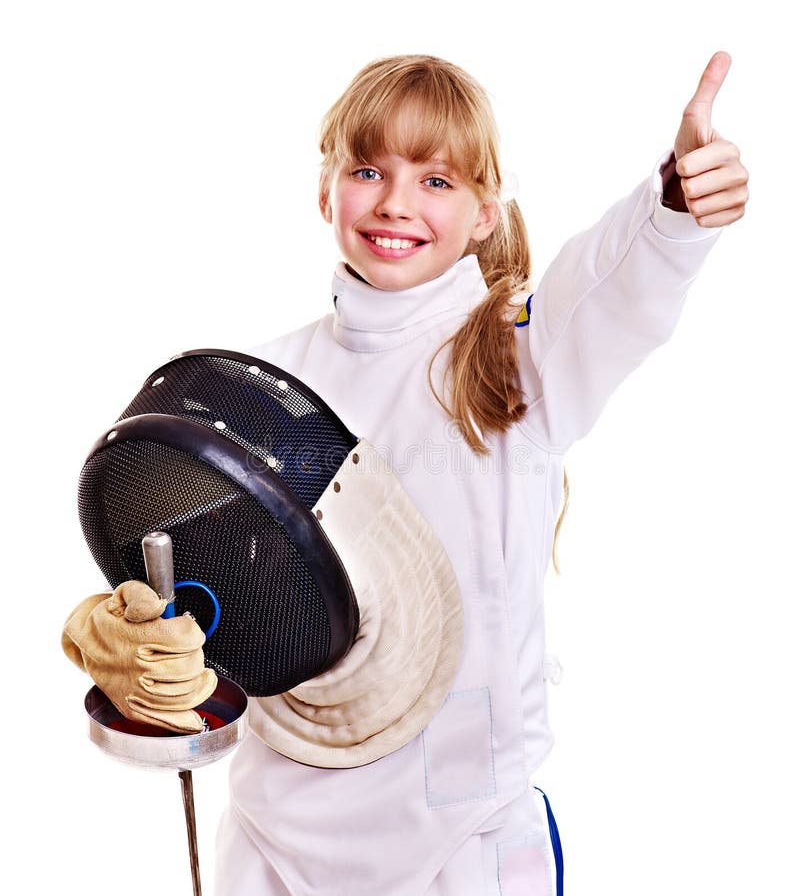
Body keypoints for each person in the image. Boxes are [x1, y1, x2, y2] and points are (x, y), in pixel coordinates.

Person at [63, 52, 748, 895]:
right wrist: (138, 641)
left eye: (436, 180)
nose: (394, 202)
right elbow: (210, 600)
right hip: (277, 836)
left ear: (485, 214)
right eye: (367, 171)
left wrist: (673, 204)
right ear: (325, 192)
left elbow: (605, 292)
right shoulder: (259, 384)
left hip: (461, 842)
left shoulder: (513, 361)